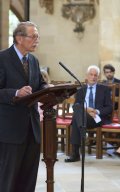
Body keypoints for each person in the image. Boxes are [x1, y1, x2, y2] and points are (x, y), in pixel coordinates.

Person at [0, 21, 47, 192]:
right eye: (33, 36)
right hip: (10, 130)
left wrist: (49, 90)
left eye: (38, 37)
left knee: (28, 179)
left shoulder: (33, 60)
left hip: (32, 129)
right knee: (8, 180)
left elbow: (40, 84)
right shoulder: (2, 58)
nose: (37, 40)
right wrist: (15, 93)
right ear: (19, 38)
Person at [65, 65, 113, 162]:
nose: (93, 77)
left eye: (95, 75)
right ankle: (82, 131)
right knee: (78, 111)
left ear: (98, 77)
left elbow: (109, 108)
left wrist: (96, 111)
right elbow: (75, 106)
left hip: (97, 118)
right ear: (87, 76)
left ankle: (75, 153)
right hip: (84, 117)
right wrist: (86, 110)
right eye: (91, 74)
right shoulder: (81, 90)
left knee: (76, 119)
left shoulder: (104, 89)